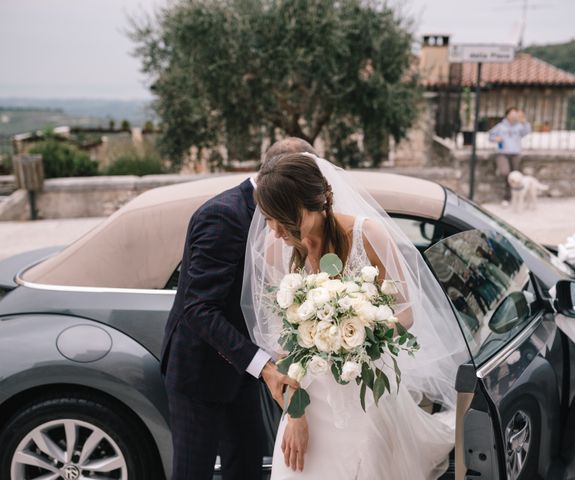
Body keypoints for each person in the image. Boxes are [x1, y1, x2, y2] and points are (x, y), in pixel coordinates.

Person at [242, 153, 469, 479]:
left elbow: (404, 312)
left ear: (312, 205)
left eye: (281, 219)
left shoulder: (368, 235)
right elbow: (284, 346)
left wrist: (360, 329)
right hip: (308, 395)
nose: (275, 230)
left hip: (365, 392)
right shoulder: (280, 249)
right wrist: (295, 416)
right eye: (267, 219)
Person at [160, 138, 317, 480]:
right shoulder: (223, 216)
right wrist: (264, 367)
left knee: (246, 464)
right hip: (201, 372)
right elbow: (199, 309)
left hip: (244, 369)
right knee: (193, 471)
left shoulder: (292, 216)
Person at [489, 107, 531, 206]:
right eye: (512, 114)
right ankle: (507, 197)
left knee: (516, 175)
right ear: (507, 115)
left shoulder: (520, 126)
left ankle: (514, 197)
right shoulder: (500, 126)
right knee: (505, 173)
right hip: (502, 153)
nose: (514, 116)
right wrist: (496, 138)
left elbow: (526, 132)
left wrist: (524, 122)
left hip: (515, 153)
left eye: (515, 114)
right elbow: (490, 136)